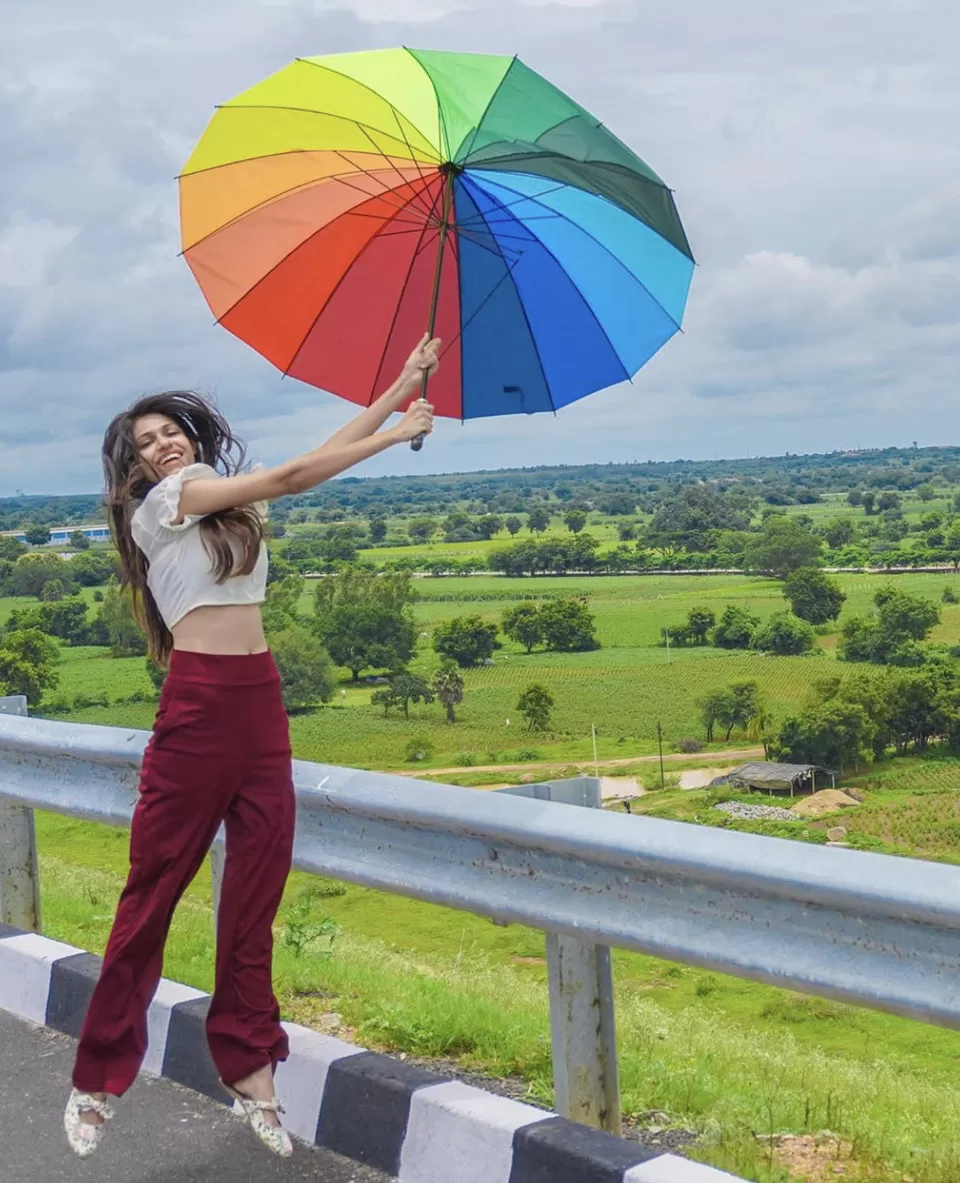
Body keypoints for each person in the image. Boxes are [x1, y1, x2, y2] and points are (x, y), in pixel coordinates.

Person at [63, 335, 439, 1159]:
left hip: (260, 703)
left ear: (194, 437)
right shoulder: (162, 505)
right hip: (197, 707)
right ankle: (97, 1072)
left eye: (173, 433)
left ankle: (250, 1070)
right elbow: (294, 474)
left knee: (257, 892)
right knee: (153, 889)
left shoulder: (228, 507)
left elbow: (311, 457)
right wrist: (396, 432)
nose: (164, 445)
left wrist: (399, 388)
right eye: (147, 442)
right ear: (134, 467)